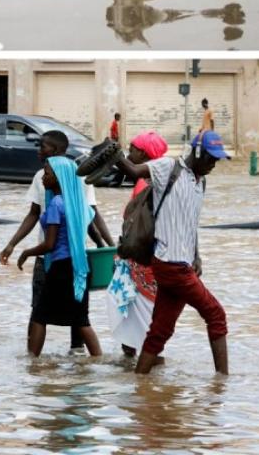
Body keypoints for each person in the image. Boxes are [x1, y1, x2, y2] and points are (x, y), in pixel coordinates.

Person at [115, 131, 229, 374]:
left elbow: (191, 224)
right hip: (170, 264)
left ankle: (141, 381)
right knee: (216, 314)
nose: (213, 165)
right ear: (197, 152)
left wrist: (196, 255)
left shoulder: (201, 182)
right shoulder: (168, 167)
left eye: (216, 160)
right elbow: (134, 172)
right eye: (210, 158)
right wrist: (113, 153)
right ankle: (222, 382)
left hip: (181, 264)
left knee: (161, 330)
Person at [0, 129, 114, 350]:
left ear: (58, 150)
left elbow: (91, 216)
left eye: (43, 146)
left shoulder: (74, 184)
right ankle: (88, 366)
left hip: (61, 260)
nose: (39, 151)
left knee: (43, 313)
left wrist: (109, 248)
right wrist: (12, 244)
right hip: (75, 261)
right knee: (73, 315)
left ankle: (38, 363)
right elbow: (84, 220)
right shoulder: (49, 183)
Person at [17, 157, 103, 357]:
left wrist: (26, 252)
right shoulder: (78, 203)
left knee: (40, 315)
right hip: (81, 264)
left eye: (47, 174)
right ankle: (98, 360)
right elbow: (93, 230)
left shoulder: (56, 203)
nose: (43, 178)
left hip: (62, 266)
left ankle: (32, 362)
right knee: (81, 319)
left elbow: (49, 244)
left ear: (59, 177)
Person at [104, 130, 169, 358]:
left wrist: (122, 256)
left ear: (144, 154)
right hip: (152, 262)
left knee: (139, 325)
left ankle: (140, 373)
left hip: (141, 264)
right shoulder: (154, 181)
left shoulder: (145, 184)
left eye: (132, 149)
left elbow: (137, 229)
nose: (130, 153)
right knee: (147, 324)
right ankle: (143, 380)